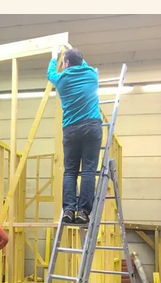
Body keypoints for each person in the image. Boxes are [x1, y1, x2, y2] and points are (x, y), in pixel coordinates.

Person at [48, 46, 103, 225]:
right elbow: (82, 63)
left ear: (66, 63)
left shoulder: (61, 79)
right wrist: (72, 51)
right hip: (92, 126)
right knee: (88, 170)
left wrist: (54, 57)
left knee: (70, 172)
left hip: (71, 129)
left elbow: (50, 73)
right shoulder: (92, 74)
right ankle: (83, 212)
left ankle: (69, 209)